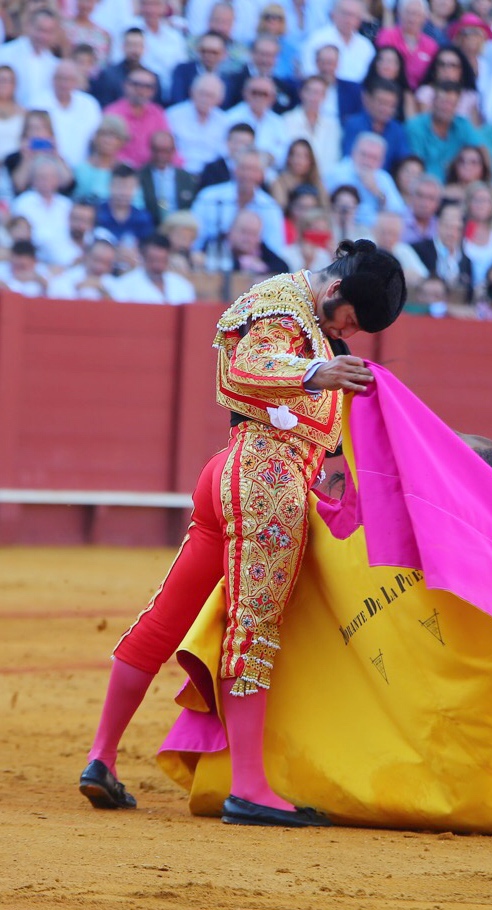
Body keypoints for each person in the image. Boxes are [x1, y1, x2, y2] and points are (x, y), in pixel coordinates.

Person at [79, 239, 407, 828]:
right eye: (351, 321)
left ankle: (101, 759)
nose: (349, 335)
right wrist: (316, 370)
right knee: (254, 628)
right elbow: (245, 372)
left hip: (243, 476)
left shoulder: (314, 326)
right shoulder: (282, 302)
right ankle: (250, 787)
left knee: (168, 616)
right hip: (264, 478)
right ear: (334, 289)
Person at [31, 59, 102, 170]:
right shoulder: (37, 103)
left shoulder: (89, 104)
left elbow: (97, 139)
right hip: (46, 172)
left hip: (81, 170)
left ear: (77, 81)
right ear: (53, 79)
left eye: (70, 79)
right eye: (60, 78)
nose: (64, 84)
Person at [325, 132, 407, 227]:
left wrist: (377, 192)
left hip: (375, 234)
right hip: (343, 228)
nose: (367, 162)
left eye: (374, 158)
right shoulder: (336, 173)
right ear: (353, 152)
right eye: (364, 155)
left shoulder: (383, 178)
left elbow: (399, 212)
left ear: (382, 161)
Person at [104, 66, 171, 169]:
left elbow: (166, 146)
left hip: (151, 172)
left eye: (147, 86)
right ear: (125, 85)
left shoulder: (158, 114)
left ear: (154, 91)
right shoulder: (112, 113)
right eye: (136, 85)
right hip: (119, 173)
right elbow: (105, 149)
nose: (141, 90)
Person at [341, 77, 411, 173]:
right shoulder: (353, 124)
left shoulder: (397, 130)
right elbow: (349, 159)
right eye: (382, 103)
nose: (386, 109)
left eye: (391, 105)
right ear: (367, 99)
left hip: (384, 181)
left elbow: (403, 161)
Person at [166, 73, 229, 177]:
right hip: (179, 173)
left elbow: (224, 154)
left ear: (219, 100)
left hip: (212, 175)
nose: (205, 99)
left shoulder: (224, 121)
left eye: (210, 95)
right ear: (192, 92)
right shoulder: (173, 115)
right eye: (201, 93)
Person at [280, 75, 342, 177]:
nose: (314, 98)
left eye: (319, 93)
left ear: (324, 97)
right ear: (302, 93)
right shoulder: (286, 120)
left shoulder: (333, 125)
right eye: (311, 92)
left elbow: (334, 158)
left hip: (323, 181)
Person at [412, 201, 474, 302]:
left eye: (457, 229)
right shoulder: (419, 250)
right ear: (438, 225)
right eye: (448, 226)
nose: (451, 233)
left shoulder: (466, 261)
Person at [110, 232, 196, 304]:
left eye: (162, 260)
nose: (157, 266)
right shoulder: (124, 286)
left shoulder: (183, 286)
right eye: (153, 260)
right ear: (143, 256)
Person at [138, 130, 199, 226]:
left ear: (174, 150)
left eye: (166, 151)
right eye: (157, 150)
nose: (161, 155)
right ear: (151, 149)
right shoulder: (139, 177)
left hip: (179, 228)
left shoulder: (187, 178)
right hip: (149, 229)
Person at [375, 0, 438, 92]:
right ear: (400, 14)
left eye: (417, 14)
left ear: (425, 18)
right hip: (389, 89)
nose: (412, 18)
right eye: (408, 13)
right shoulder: (387, 36)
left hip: (418, 94)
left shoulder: (431, 46)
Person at [415, 45, 481, 125]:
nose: (447, 70)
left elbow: (476, 129)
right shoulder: (426, 92)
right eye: (442, 64)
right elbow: (426, 125)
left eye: (453, 65)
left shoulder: (470, 96)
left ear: (461, 70)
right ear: (435, 69)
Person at [47, 236, 117, 299]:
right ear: (86, 256)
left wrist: (103, 291)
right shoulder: (66, 277)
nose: (99, 267)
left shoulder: (113, 284)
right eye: (96, 260)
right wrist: (77, 288)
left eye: (106, 263)